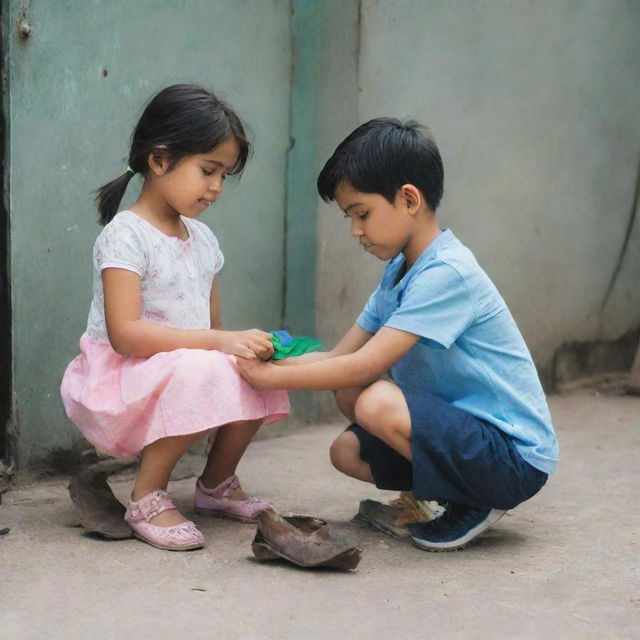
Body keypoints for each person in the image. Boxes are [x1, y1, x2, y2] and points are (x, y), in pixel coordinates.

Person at [237, 118, 559, 552]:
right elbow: (340, 356)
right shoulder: (399, 272)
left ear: (409, 199)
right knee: (347, 449)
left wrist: (271, 379)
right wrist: (263, 361)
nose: (356, 231)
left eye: (362, 214)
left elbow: (367, 364)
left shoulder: (447, 273)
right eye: (350, 217)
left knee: (373, 398)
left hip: (513, 458)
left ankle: (476, 500)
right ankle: (429, 498)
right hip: (467, 438)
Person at [61, 84, 289, 551]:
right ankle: (145, 496)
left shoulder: (203, 239)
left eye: (225, 175)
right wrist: (215, 345)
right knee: (200, 363)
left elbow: (212, 330)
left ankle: (216, 484)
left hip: (180, 366)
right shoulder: (126, 236)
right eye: (208, 171)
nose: (217, 188)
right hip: (120, 375)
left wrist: (240, 346)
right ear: (160, 160)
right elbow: (125, 336)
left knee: (257, 367)